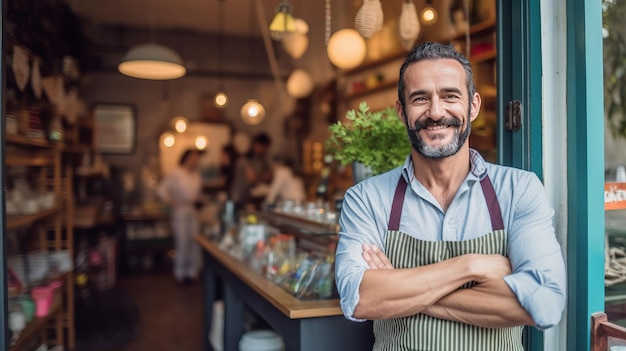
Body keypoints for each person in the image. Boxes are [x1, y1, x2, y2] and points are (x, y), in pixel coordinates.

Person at [335, 42, 566, 350]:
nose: (435, 112)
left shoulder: (519, 189)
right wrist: (470, 266)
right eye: (420, 98)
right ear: (402, 112)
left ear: (473, 106)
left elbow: (545, 303)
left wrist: (400, 288)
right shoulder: (366, 198)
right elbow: (359, 299)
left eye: (450, 96)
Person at [157, 149, 204, 283]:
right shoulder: (176, 173)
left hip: (192, 210)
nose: (196, 160)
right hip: (180, 209)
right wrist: (172, 202)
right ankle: (180, 272)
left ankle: (192, 271)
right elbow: (161, 190)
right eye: (193, 157)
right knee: (182, 242)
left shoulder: (196, 174)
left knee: (194, 241)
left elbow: (198, 194)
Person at [230, 133, 273, 210]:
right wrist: (265, 176)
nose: (265, 151)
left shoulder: (262, 160)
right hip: (239, 198)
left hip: (250, 199)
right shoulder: (244, 160)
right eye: (264, 148)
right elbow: (252, 179)